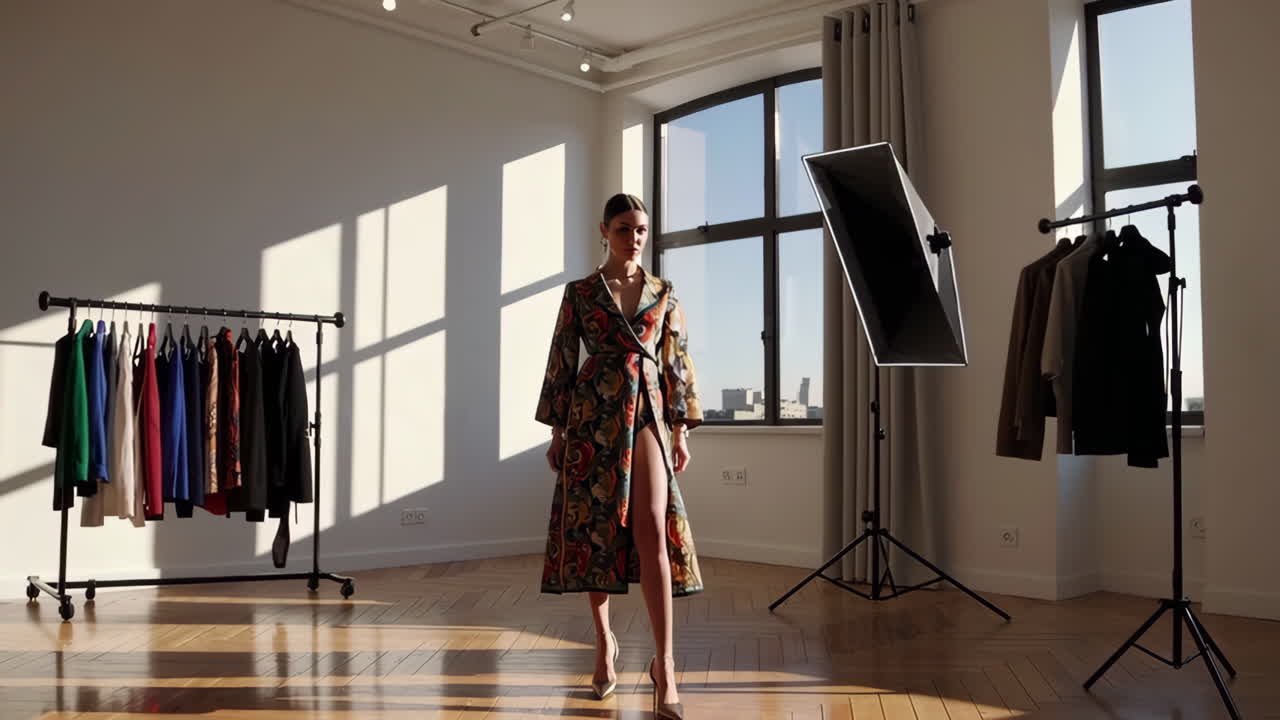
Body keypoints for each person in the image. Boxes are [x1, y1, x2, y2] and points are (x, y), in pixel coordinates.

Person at [536, 193, 703, 719]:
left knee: (653, 524)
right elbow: (562, 358)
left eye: (643, 229)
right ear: (604, 231)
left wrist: (682, 432)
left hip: (648, 410)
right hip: (593, 412)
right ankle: (605, 642)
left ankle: (665, 664)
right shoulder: (581, 293)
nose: (635, 238)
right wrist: (558, 433)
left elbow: (677, 361)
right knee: (597, 529)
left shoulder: (664, 292)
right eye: (626, 228)